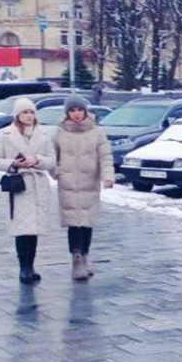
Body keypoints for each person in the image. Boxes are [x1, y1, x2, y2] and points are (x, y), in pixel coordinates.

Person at [0, 98, 56, 284]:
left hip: (37, 186)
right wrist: (13, 164)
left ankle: (31, 266)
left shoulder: (43, 134)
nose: (29, 116)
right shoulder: (6, 134)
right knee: (22, 229)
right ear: (17, 115)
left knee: (33, 230)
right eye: (25, 112)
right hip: (18, 185)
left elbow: (52, 160)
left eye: (31, 112)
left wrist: (37, 160)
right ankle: (24, 268)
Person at [55, 95, 114, 280]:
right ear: (67, 113)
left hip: (89, 184)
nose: (76, 114)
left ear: (85, 111)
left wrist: (107, 177)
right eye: (72, 110)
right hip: (68, 185)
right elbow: (52, 157)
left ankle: (85, 258)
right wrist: (56, 172)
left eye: (79, 110)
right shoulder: (59, 132)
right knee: (74, 224)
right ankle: (76, 261)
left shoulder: (97, 132)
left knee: (87, 223)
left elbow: (105, 157)